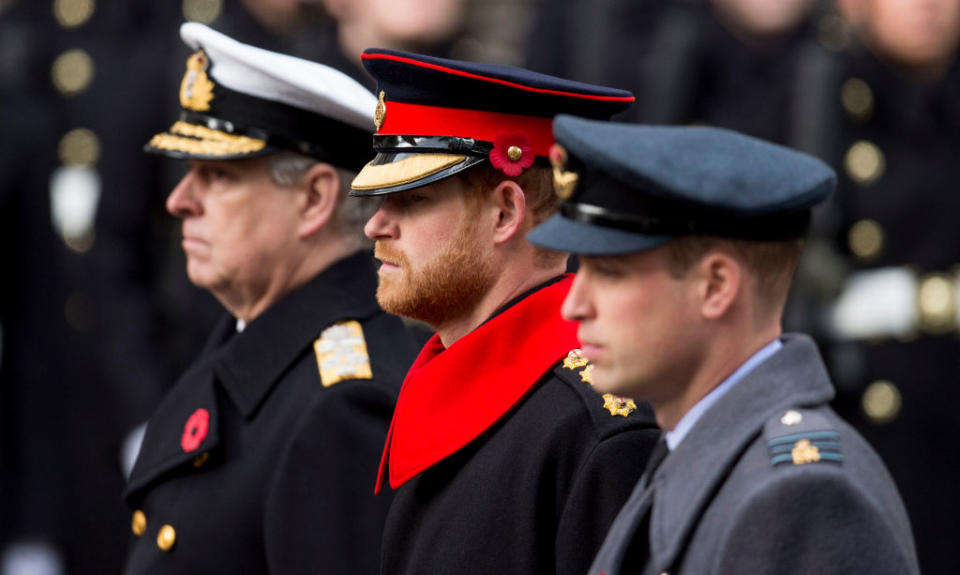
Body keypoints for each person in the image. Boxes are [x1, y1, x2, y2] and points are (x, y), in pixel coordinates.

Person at [527, 116, 920, 574]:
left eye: (610, 274)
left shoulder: (796, 497)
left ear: (716, 286)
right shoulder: (700, 450)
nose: (574, 305)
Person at [348, 49, 661, 575]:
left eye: (414, 199)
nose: (376, 225)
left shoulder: (594, 431)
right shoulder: (447, 386)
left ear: (504, 213)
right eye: (382, 199)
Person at [122, 24, 418, 574]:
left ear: (313, 198)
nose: (178, 200)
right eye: (188, 173)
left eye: (217, 176)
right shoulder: (253, 341)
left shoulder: (341, 406)